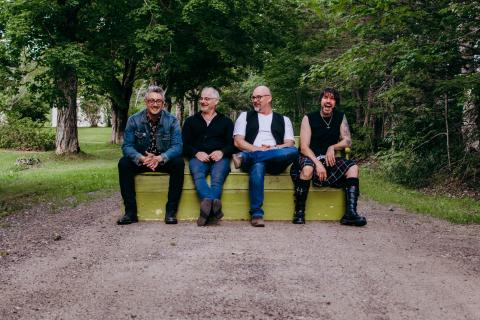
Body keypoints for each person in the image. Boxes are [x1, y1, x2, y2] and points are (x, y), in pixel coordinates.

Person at [290, 87, 367, 226]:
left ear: (335, 103)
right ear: (320, 101)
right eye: (325, 98)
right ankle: (299, 212)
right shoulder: (309, 118)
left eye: (332, 99)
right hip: (309, 157)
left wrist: (333, 147)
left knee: (353, 168)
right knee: (307, 169)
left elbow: (347, 140)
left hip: (328, 159)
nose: (328, 101)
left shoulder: (340, 117)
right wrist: (317, 164)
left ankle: (350, 213)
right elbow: (304, 147)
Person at [117, 85, 184, 225]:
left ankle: (171, 212)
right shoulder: (134, 120)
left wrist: (160, 158)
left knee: (178, 163)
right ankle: (130, 212)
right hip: (142, 160)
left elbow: (178, 146)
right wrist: (141, 158)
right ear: (146, 102)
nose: (155, 104)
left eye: (158, 101)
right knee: (124, 163)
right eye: (151, 100)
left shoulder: (172, 121)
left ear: (163, 103)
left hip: (162, 160)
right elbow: (127, 146)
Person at [233, 85, 298, 227]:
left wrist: (272, 148)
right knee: (258, 165)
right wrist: (257, 149)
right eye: (253, 97)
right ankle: (257, 214)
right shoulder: (245, 116)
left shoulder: (284, 119)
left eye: (259, 97)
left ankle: (247, 157)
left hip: (275, 159)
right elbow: (238, 142)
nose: (255, 100)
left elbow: (289, 143)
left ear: (269, 98)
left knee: (294, 151)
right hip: (254, 156)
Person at [182, 87, 235, 226]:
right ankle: (214, 209)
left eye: (207, 99)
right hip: (198, 158)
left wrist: (222, 152)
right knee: (198, 175)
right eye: (202, 98)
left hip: (220, 158)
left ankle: (205, 212)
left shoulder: (226, 122)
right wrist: (196, 153)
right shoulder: (190, 121)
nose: (203, 101)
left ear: (216, 101)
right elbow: (184, 144)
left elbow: (232, 145)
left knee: (217, 179)